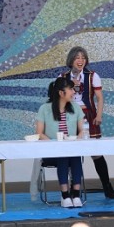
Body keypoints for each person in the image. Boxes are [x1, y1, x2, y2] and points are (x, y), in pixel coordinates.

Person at [60, 46, 114, 199]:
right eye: (77, 58)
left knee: (96, 152)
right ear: (71, 60)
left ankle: (107, 185)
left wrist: (99, 115)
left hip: (88, 114)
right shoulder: (63, 76)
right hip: (69, 115)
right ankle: (73, 188)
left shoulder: (92, 76)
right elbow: (58, 98)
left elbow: (99, 97)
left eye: (83, 58)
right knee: (71, 152)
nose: (81, 61)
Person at [35, 77, 85, 208]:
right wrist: (55, 144)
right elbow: (39, 133)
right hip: (51, 152)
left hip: (71, 150)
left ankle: (76, 194)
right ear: (61, 93)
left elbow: (82, 131)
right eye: (71, 89)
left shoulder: (76, 108)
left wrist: (77, 139)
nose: (74, 92)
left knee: (74, 155)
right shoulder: (44, 109)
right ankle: (65, 195)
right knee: (63, 154)